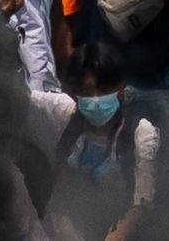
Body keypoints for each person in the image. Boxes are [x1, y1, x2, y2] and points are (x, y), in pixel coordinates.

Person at [25, 43, 159, 241]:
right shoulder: (63, 116)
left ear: (120, 89)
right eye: (87, 91)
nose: (96, 99)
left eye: (104, 89)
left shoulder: (140, 132)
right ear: (75, 93)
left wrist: (120, 233)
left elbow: (145, 198)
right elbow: (16, 96)